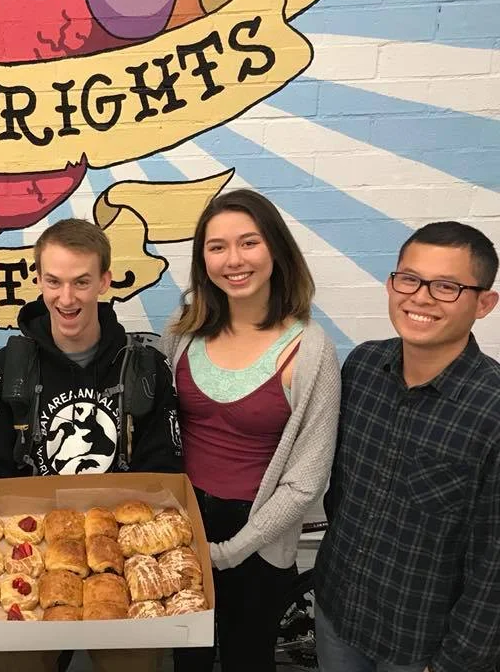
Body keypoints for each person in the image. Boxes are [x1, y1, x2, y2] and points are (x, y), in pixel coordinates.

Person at [0, 218, 183, 672]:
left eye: (81, 282)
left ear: (105, 281)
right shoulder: (4, 369)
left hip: (122, 557)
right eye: (54, 281)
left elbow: (163, 479)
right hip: (27, 558)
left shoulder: (147, 368)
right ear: (38, 280)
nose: (66, 298)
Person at [161, 188, 341, 672]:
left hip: (259, 539)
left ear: (276, 249)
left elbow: (306, 481)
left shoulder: (311, 350)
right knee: (188, 656)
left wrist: (229, 551)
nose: (234, 260)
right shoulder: (183, 329)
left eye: (249, 242)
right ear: (203, 260)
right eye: (217, 247)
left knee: (248, 658)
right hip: (183, 527)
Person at [315, 221, 500, 672]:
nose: (421, 297)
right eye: (410, 279)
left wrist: (455, 662)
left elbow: (493, 566)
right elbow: (342, 491)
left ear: (484, 303)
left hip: (423, 645)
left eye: (447, 287)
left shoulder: (492, 410)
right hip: (338, 609)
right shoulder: (362, 367)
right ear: (391, 283)